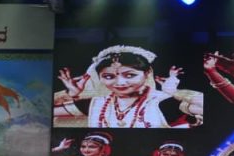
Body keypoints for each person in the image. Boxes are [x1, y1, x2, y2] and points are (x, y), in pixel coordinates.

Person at [54, 45, 203, 128]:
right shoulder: (95, 104)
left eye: (130, 75)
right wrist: (71, 94)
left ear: (147, 73)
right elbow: (47, 114)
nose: (119, 83)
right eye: (109, 77)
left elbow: (205, 109)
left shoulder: (163, 102)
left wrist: (175, 93)